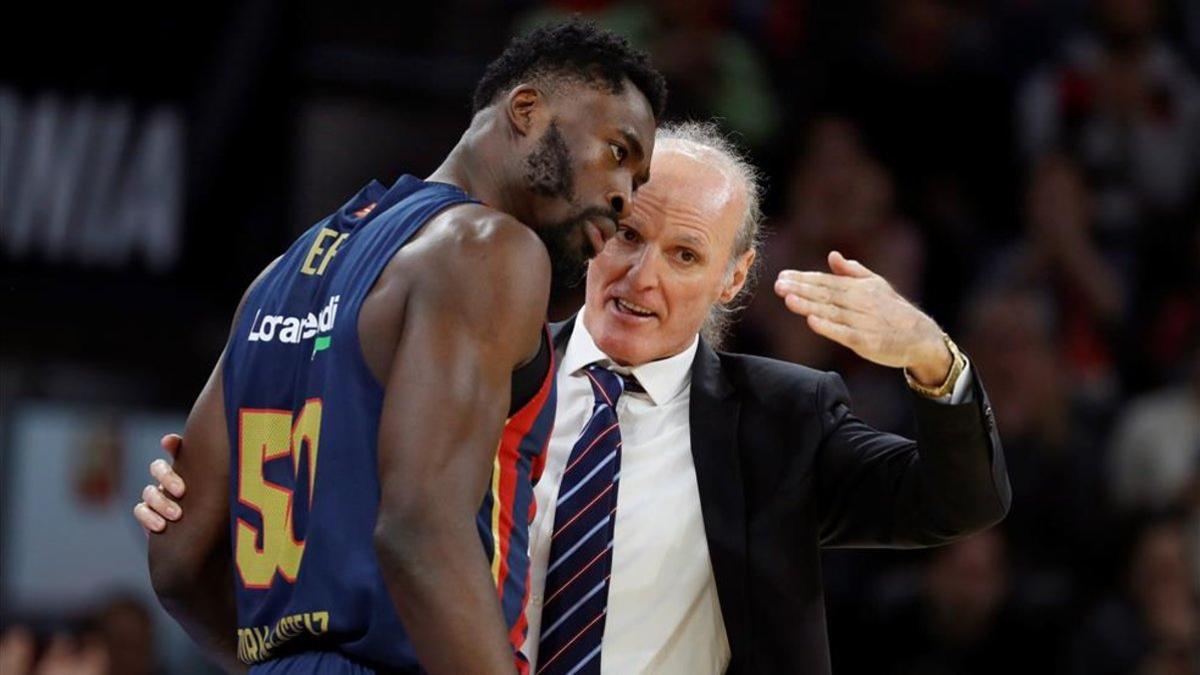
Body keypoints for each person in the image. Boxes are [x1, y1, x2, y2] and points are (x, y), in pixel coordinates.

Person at [138, 122, 1008, 674]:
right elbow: (311, 519)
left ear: (737, 274)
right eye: (628, 233)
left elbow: (958, 499)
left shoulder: (784, 419)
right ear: (595, 225)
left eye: (685, 255)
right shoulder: (473, 370)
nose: (640, 275)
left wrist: (933, 358)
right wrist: (200, 496)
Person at [137, 20, 666, 675]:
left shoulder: (278, 278)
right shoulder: (491, 248)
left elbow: (177, 559)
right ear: (526, 111)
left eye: (640, 181)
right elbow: (419, 528)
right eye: (619, 152)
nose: (624, 198)